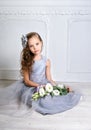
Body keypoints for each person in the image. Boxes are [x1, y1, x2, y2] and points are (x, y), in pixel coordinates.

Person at [0, 32, 81, 115]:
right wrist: (39, 86)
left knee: (54, 97)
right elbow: (27, 81)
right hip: (31, 86)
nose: (35, 48)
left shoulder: (46, 61)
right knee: (42, 101)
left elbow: (49, 78)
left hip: (44, 84)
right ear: (28, 48)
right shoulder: (28, 61)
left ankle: (63, 93)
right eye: (31, 46)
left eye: (37, 44)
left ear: (41, 43)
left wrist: (56, 87)